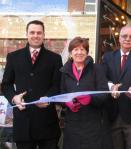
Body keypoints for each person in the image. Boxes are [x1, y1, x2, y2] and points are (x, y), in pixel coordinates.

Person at [1, 20, 62, 149]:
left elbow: (57, 85)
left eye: (39, 32)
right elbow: (6, 84)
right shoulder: (13, 57)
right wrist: (14, 98)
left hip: (47, 123)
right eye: (32, 32)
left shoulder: (55, 58)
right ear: (26, 34)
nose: (36, 35)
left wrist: (48, 98)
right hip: (23, 122)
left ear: (44, 35)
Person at [102, 26, 131, 149]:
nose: (128, 39)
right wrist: (111, 86)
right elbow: (103, 77)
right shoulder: (108, 57)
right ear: (119, 38)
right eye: (124, 36)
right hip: (112, 113)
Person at [60, 37, 112, 149]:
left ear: (87, 52)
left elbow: (104, 94)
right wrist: (67, 102)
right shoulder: (64, 72)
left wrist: (90, 99)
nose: (79, 52)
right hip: (72, 125)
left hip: (93, 125)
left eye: (82, 49)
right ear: (70, 53)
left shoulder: (97, 69)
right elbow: (61, 94)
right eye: (76, 49)